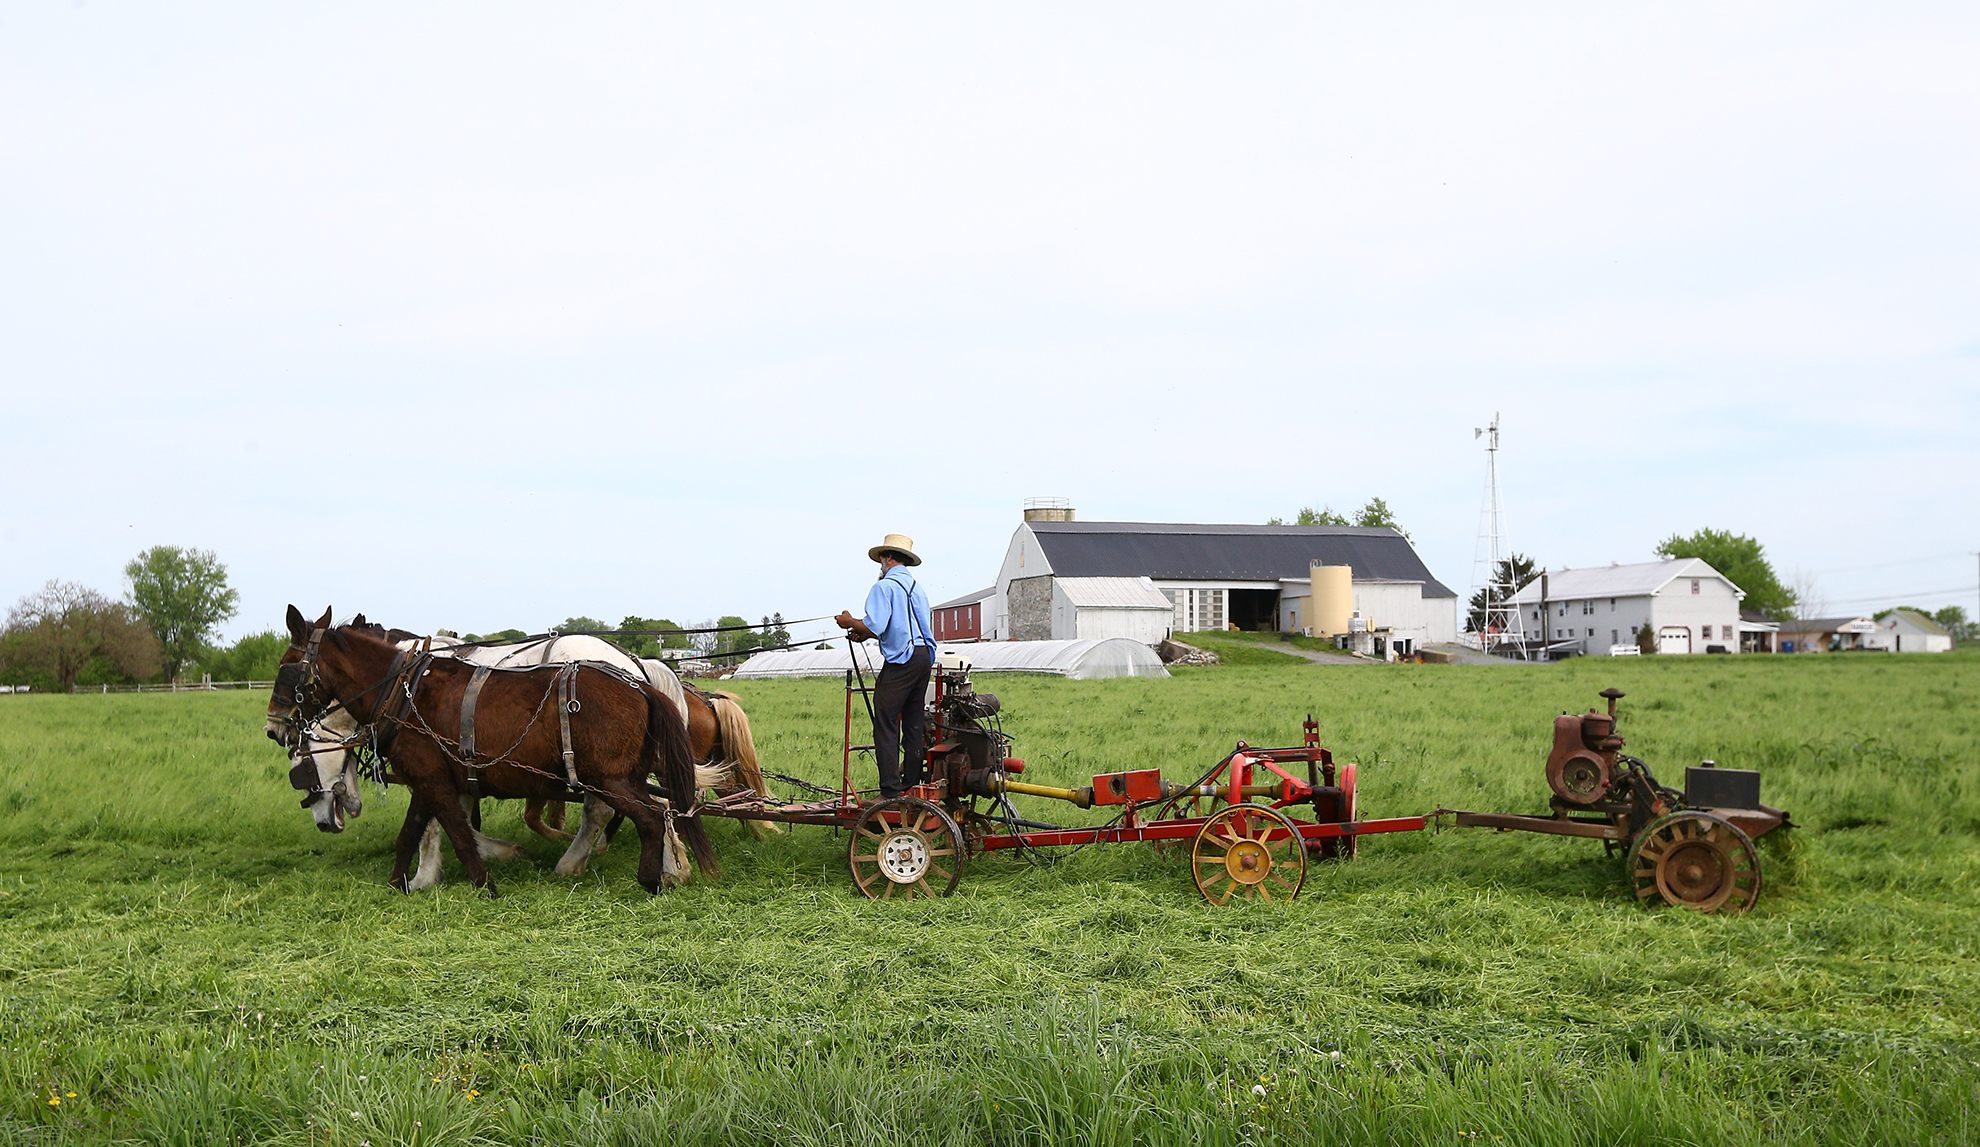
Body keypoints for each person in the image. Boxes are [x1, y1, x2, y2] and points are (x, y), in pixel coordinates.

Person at [835, 533, 937, 799]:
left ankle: (890, 790)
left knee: (886, 722)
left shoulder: (884, 587)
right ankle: (912, 783)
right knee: (913, 722)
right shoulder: (917, 588)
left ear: (888, 558)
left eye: (882, 558)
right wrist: (865, 631)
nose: (881, 563)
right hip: (923, 656)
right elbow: (897, 625)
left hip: (902, 660)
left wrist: (850, 622)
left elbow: (875, 625)